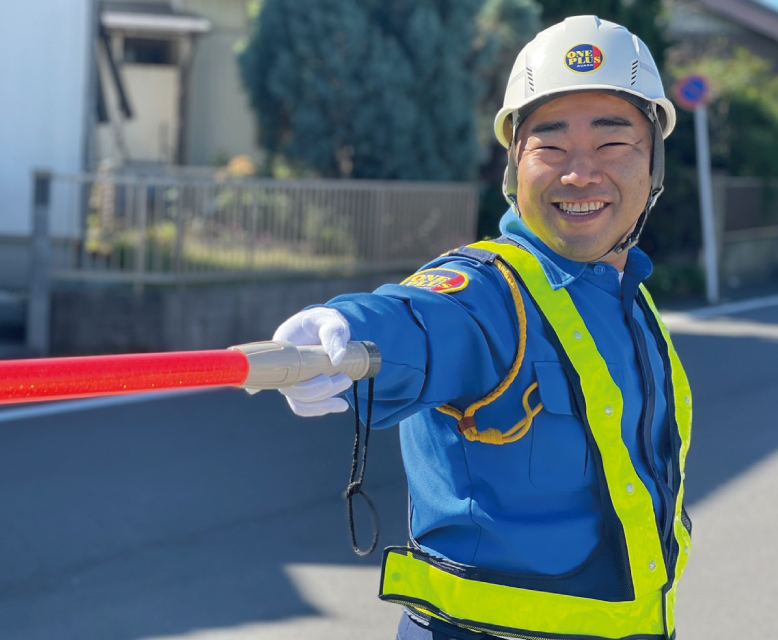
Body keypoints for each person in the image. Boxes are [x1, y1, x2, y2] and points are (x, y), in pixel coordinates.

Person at [271, 16, 693, 640]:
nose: (581, 174)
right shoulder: (491, 290)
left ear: (653, 163)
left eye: (613, 145)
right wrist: (344, 332)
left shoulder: (630, 298)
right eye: (550, 145)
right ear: (514, 165)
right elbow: (425, 319)